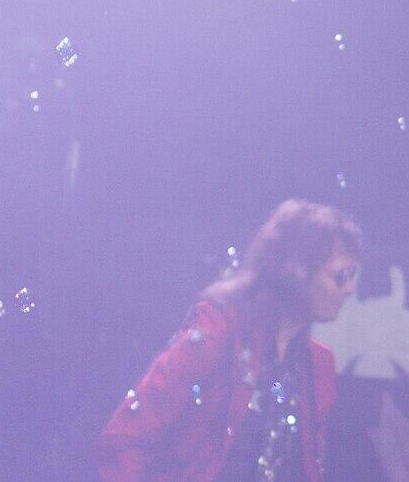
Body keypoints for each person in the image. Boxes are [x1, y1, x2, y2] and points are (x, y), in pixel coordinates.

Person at [98, 199, 362, 482]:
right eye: (340, 276)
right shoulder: (219, 332)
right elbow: (125, 437)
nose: (349, 289)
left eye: (352, 276)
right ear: (298, 272)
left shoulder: (316, 364)